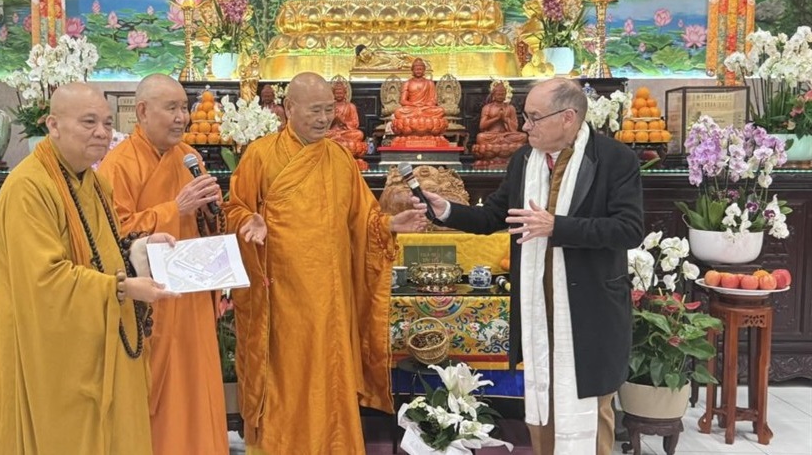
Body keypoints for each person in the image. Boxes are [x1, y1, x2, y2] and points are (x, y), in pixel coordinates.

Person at [425, 78, 643, 455]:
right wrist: (445, 210)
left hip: (590, 311)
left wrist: (558, 227)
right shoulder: (524, 160)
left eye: (534, 118)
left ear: (568, 117)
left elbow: (629, 229)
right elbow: (495, 215)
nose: (525, 127)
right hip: (539, 310)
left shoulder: (614, 159)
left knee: (592, 409)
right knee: (542, 407)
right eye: (525, 117)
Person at [224, 72, 429, 454]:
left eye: (328, 110)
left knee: (330, 379)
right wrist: (248, 220)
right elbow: (234, 209)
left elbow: (363, 220)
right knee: (286, 381)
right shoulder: (260, 155)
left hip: (332, 301)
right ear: (289, 109)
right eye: (314, 110)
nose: (323, 119)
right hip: (282, 302)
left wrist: (388, 225)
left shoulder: (339, 158)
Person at [0, 82, 178, 455]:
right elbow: (45, 280)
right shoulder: (28, 189)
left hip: (102, 341)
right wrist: (122, 289)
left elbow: (102, 253)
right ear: (53, 125)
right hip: (54, 356)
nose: (102, 133)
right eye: (89, 122)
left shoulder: (93, 182)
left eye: (107, 123)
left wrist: (139, 250)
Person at [96, 74, 229, 455]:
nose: (182, 117)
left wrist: (210, 212)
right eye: (171, 108)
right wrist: (175, 209)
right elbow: (113, 234)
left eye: (184, 108)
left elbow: (207, 224)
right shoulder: (118, 165)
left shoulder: (190, 157)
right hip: (151, 300)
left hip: (192, 292)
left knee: (197, 384)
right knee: (158, 389)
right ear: (142, 111)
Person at [473, 82, 528, 159]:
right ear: (493, 95)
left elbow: (515, 128)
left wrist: (505, 119)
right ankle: (502, 148)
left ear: (505, 95)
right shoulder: (487, 108)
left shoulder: (510, 108)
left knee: (523, 136)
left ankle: (498, 148)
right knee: (480, 137)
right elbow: (482, 126)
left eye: (502, 94)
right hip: (492, 135)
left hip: (507, 135)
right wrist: (496, 118)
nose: (500, 96)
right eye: (498, 94)